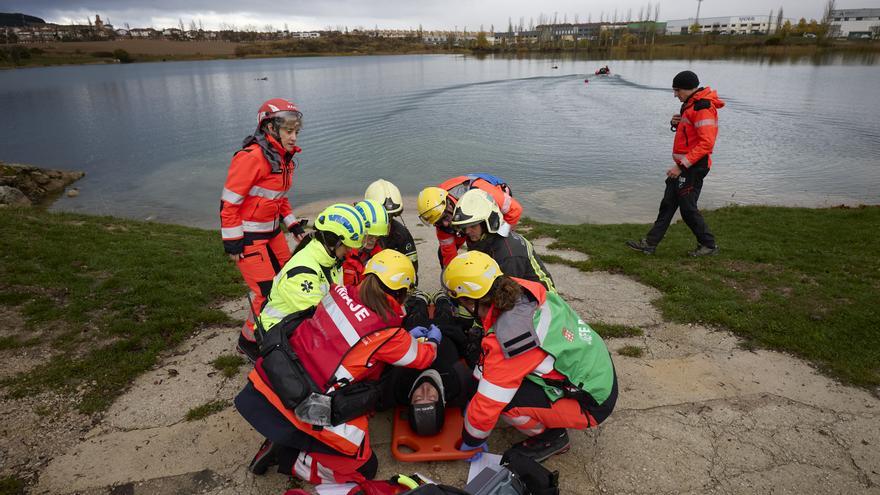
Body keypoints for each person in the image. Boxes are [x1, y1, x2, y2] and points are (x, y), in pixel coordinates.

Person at [235, 250, 439, 486]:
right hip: (306, 402)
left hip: (275, 375)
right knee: (364, 469)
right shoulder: (387, 334)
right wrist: (433, 339)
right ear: (402, 293)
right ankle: (291, 455)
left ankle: (289, 435)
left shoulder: (338, 292)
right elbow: (423, 358)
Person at [443, 251, 617, 463]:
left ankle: (552, 437)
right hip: (597, 370)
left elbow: (490, 402)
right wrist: (475, 386)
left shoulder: (511, 337)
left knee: (506, 405)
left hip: (594, 401)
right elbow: (491, 363)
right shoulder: (521, 291)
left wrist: (471, 438)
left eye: (460, 303)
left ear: (470, 302)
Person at [220, 98, 308, 356]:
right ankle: (248, 341)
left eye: (296, 132)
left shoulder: (284, 159)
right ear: (270, 128)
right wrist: (233, 242)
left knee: (286, 282)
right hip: (249, 237)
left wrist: (292, 225)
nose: (294, 137)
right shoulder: (251, 157)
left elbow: (277, 198)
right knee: (266, 293)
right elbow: (229, 203)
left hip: (272, 233)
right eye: (289, 131)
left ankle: (275, 328)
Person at [244, 203, 365, 361]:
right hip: (277, 335)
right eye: (347, 247)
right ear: (334, 242)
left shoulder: (332, 260)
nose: (350, 251)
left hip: (297, 325)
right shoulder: (303, 272)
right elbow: (322, 319)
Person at [627, 70, 724, 257]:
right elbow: (691, 135)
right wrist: (676, 124)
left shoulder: (702, 108)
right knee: (668, 204)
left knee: (687, 208)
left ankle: (709, 245)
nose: (675, 95)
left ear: (688, 89)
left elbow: (706, 144)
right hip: (685, 165)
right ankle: (649, 244)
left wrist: (681, 166)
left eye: (677, 90)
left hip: (694, 167)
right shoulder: (690, 105)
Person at [450, 189, 556, 293]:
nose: (467, 231)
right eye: (464, 226)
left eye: (472, 226)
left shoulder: (508, 254)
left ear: (487, 223)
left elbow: (508, 295)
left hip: (540, 299)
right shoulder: (481, 237)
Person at [417, 174, 522, 267]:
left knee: (492, 244)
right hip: (460, 209)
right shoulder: (438, 215)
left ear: (448, 204)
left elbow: (515, 210)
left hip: (493, 195)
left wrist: (504, 236)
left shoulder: (479, 190)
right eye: (438, 222)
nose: (444, 223)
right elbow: (448, 253)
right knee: (446, 254)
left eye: (445, 217)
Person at [364, 179, 418, 273]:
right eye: (382, 216)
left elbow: (412, 269)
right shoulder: (355, 232)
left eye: (390, 216)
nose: (386, 221)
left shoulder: (401, 234)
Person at [342, 199, 391, 285]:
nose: (373, 240)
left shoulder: (380, 257)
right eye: (370, 235)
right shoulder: (342, 254)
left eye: (377, 236)